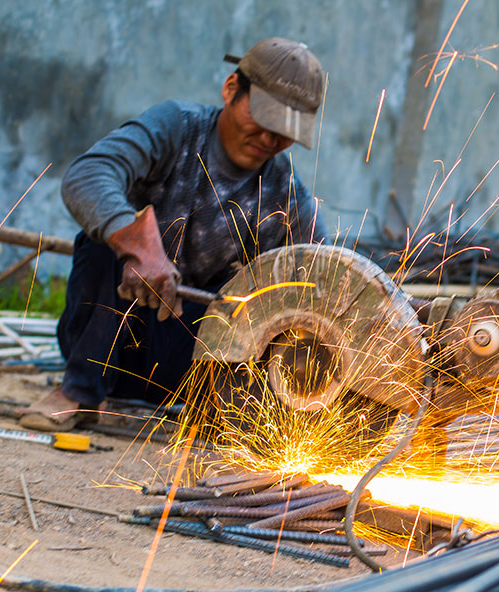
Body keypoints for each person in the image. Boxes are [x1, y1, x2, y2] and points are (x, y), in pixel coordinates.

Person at [19, 37, 327, 431]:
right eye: (263, 118)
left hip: (189, 371)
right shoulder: (177, 128)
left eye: (283, 131)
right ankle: (78, 393)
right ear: (231, 88)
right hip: (107, 344)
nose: (269, 139)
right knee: (100, 243)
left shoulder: (286, 194)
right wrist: (135, 243)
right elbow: (88, 174)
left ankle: (218, 414)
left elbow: (327, 277)